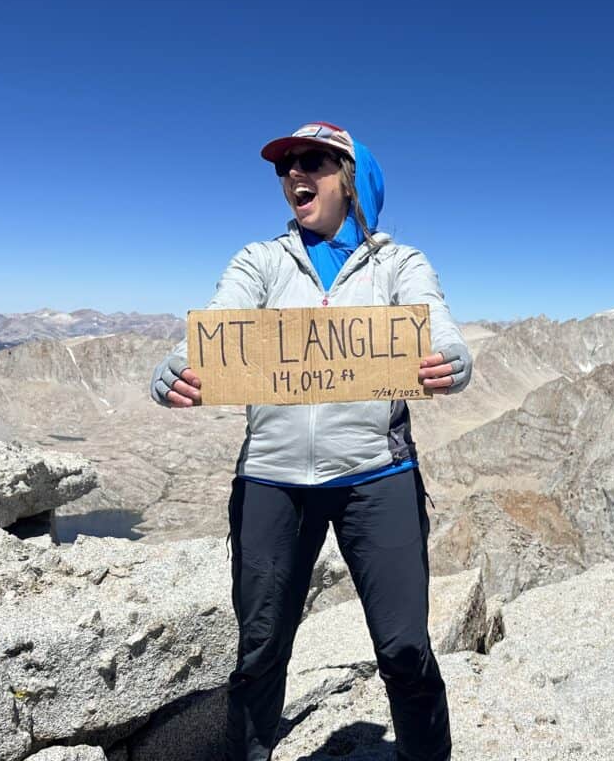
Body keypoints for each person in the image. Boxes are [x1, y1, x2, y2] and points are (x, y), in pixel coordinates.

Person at [149, 121, 471, 761]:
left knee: (406, 648)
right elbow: (222, 320)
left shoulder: (398, 263)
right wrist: (179, 364)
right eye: (286, 165)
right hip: (272, 478)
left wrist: (453, 358)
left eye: (314, 161)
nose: (296, 173)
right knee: (261, 646)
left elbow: (433, 322)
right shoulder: (261, 260)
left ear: (350, 179)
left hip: (377, 475)